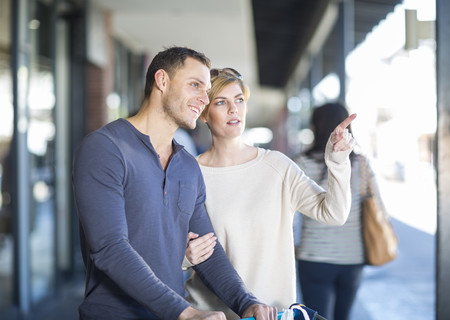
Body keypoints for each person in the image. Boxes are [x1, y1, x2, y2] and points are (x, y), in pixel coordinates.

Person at [72, 47, 276, 320]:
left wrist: (245, 302)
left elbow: (208, 250)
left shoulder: (188, 166)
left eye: (206, 91)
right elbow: (109, 248)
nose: (204, 98)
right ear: (162, 81)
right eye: (195, 85)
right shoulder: (105, 148)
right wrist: (185, 312)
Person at [183, 68, 357, 319]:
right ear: (204, 114)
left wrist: (338, 164)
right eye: (221, 102)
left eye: (239, 100)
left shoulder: (278, 166)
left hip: (273, 313)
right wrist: (184, 256)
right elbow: (166, 245)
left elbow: (334, 214)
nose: (234, 109)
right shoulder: (190, 173)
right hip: (210, 314)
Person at [294, 102, 384, 320]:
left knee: (315, 317)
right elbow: (378, 206)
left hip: (313, 255)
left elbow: (289, 214)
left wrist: (291, 244)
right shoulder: (361, 164)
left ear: (315, 127)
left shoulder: (301, 163)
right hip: (351, 258)